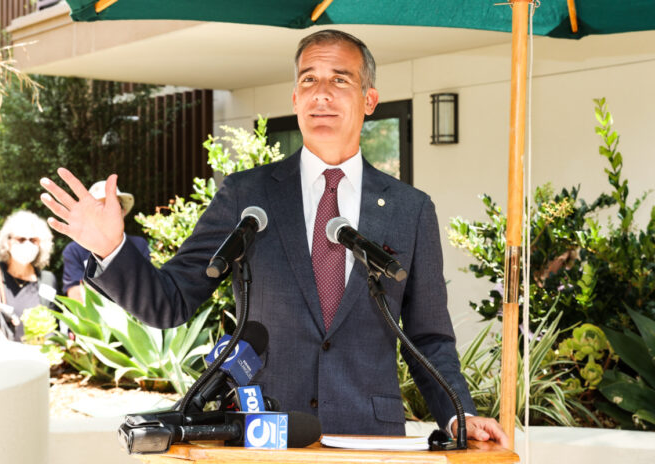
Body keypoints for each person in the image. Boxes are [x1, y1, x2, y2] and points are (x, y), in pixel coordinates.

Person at [40, 30, 509, 446]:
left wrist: (458, 414)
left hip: (368, 439)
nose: (321, 94)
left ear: (369, 100)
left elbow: (429, 338)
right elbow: (172, 301)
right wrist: (110, 249)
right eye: (308, 80)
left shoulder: (410, 209)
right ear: (294, 98)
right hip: (263, 432)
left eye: (339, 80)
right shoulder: (248, 194)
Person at [0, 210, 58, 341]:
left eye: (34, 240)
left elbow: (52, 322)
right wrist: (8, 349)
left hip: (35, 357)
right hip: (0, 355)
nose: (27, 244)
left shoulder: (47, 280)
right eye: (21, 239)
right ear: (8, 242)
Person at [62, 181, 150, 302]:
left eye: (114, 206)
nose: (108, 213)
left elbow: (147, 289)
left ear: (123, 211)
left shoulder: (139, 245)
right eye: (100, 208)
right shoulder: (74, 250)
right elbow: (76, 298)